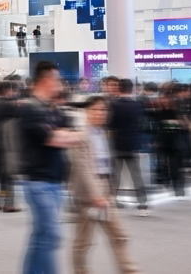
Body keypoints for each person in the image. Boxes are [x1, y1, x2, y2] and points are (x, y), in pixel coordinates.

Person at [19, 61, 81, 274]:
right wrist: (61, 135)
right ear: (46, 81)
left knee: (40, 236)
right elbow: (53, 138)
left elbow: (72, 135)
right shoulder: (30, 109)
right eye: (57, 80)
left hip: (55, 182)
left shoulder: (54, 108)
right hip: (38, 183)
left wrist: (62, 135)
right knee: (52, 235)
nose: (60, 85)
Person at [69, 96, 139, 274]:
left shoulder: (103, 134)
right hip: (88, 195)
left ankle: (130, 270)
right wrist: (95, 195)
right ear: (87, 112)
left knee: (119, 235)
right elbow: (83, 168)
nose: (100, 113)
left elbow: (107, 166)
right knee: (83, 241)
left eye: (103, 110)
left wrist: (107, 191)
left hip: (105, 192)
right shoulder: (81, 135)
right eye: (96, 110)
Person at [109, 78, 149, 216]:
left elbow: (110, 125)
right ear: (131, 90)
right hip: (133, 144)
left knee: (115, 175)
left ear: (119, 88)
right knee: (136, 176)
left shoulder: (113, 105)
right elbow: (141, 123)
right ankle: (142, 205)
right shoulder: (137, 105)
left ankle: (112, 201)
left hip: (116, 144)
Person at [0, 80, 21, 212]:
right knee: (8, 173)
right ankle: (9, 204)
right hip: (8, 143)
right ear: (7, 90)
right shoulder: (9, 105)